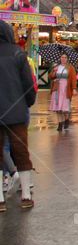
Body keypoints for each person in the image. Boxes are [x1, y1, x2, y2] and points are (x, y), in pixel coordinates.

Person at [0, 20, 37, 210]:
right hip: (17, 111)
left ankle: (0, 199)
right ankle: (26, 194)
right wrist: (27, 103)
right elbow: (28, 84)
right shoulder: (18, 53)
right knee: (21, 152)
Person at [49, 53, 77, 132]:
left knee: (65, 108)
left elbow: (73, 79)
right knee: (58, 107)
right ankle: (60, 124)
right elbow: (51, 77)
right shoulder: (56, 67)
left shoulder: (70, 68)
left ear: (67, 59)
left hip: (65, 89)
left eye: (65, 57)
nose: (63, 59)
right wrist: (54, 72)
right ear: (60, 58)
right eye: (62, 57)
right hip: (57, 88)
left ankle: (66, 119)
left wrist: (74, 88)